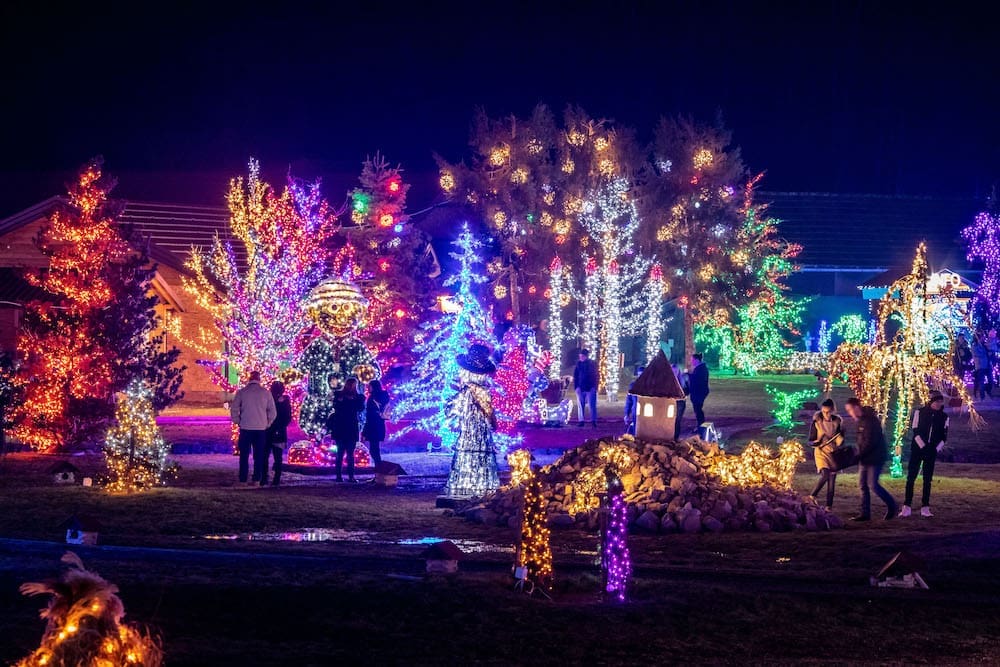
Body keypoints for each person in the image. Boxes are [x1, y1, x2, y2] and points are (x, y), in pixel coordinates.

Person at [843, 397, 898, 521]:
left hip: (875, 457)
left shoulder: (870, 421)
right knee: (862, 484)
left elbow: (870, 442)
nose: (849, 413)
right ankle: (865, 513)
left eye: (850, 410)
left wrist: (858, 456)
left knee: (873, 485)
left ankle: (892, 505)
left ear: (856, 407)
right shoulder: (860, 421)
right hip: (865, 457)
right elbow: (861, 441)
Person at [900, 392, 949, 517]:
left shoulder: (944, 417)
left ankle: (925, 507)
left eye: (940, 402)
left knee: (927, 479)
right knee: (911, 477)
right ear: (931, 402)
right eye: (936, 401)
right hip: (918, 449)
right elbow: (915, 430)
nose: (939, 404)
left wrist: (935, 449)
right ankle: (907, 506)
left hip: (932, 451)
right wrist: (922, 446)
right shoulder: (919, 412)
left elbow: (944, 437)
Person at [230, 371, 277, 484]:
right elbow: (273, 411)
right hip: (260, 429)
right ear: (259, 379)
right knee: (259, 455)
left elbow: (234, 409)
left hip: (246, 427)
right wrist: (268, 423)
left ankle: (243, 478)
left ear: (249, 379)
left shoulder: (242, 392)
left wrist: (238, 421)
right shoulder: (265, 393)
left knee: (244, 455)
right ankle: (256, 478)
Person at [326, 377, 365, 483]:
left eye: (354, 385)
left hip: (350, 427)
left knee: (350, 454)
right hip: (342, 427)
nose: (353, 387)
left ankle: (351, 476)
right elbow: (336, 407)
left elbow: (360, 408)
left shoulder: (358, 397)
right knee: (340, 453)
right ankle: (339, 476)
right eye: (352, 385)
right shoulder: (339, 395)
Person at [807, 399, 844, 510]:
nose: (826, 414)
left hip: (833, 453)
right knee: (825, 474)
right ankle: (812, 495)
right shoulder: (817, 422)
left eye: (828, 412)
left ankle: (829, 506)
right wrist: (818, 440)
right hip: (821, 452)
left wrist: (840, 439)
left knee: (832, 481)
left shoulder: (837, 421)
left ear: (832, 410)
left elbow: (840, 439)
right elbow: (811, 440)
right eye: (824, 412)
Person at [261, 381, 293, 487]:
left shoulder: (267, 400)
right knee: (276, 457)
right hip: (277, 432)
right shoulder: (283, 401)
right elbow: (288, 417)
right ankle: (275, 479)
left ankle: (265, 478)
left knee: (266, 456)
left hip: (269, 431)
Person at [362, 379, 391, 466]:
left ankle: (379, 470)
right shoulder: (384, 396)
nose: (368, 388)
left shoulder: (372, 397)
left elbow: (369, 415)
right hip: (379, 424)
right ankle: (379, 470)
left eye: (369, 386)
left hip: (372, 425)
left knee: (374, 450)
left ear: (373, 387)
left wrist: (365, 431)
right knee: (375, 449)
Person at [573, 349, 599, 427]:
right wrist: (576, 387)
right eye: (580, 356)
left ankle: (593, 420)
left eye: (582, 356)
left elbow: (596, 376)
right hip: (581, 387)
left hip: (590, 387)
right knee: (581, 405)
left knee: (592, 405)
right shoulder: (578, 364)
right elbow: (576, 376)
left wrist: (594, 387)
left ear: (586, 356)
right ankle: (581, 420)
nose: (581, 357)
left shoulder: (592, 364)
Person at [687, 353, 710, 434]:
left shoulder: (701, 369)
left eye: (692, 360)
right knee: (698, 410)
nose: (692, 362)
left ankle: (701, 426)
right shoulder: (700, 368)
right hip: (699, 392)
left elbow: (697, 380)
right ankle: (700, 425)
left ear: (697, 360)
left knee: (698, 410)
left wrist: (688, 375)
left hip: (699, 393)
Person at [623, 366, 644, 436]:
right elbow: (629, 401)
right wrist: (627, 414)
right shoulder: (633, 386)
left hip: (645, 414)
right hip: (635, 412)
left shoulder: (649, 387)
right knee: (635, 431)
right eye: (639, 375)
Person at [971, 332, 991, 400]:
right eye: (981, 337)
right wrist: (986, 353)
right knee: (981, 381)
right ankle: (982, 396)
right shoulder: (974, 346)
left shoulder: (984, 345)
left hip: (987, 365)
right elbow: (977, 355)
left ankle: (987, 392)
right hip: (980, 366)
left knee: (990, 380)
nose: (983, 339)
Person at [672, 364, 688, 441]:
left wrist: (683, 395)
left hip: (680, 403)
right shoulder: (668, 381)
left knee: (677, 420)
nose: (674, 372)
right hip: (670, 403)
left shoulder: (682, 380)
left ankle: (675, 437)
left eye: (675, 371)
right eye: (673, 371)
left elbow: (687, 390)